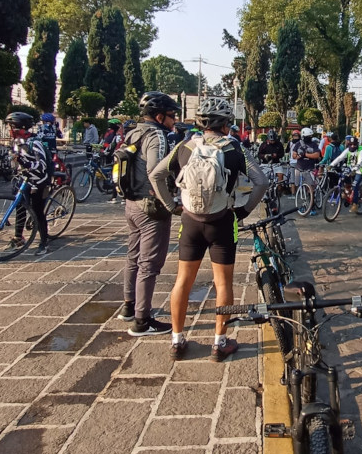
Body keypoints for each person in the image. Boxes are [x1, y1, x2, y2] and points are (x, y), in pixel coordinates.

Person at [150, 96, 267, 362]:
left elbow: (156, 174)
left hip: (190, 221)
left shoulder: (184, 145)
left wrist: (171, 206)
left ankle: (178, 341)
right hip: (222, 221)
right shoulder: (234, 148)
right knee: (223, 282)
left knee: (183, 282)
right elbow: (261, 181)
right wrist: (244, 210)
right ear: (225, 124)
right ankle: (219, 343)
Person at [118, 92, 180, 336]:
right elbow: (156, 172)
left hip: (131, 204)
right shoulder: (156, 135)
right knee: (149, 265)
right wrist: (170, 204)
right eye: (172, 116)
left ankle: (129, 307)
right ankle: (142, 321)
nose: (174, 121)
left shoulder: (134, 132)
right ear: (159, 116)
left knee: (133, 257)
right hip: (151, 207)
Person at [6, 112, 52, 256]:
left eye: (12, 126)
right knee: (20, 207)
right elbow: (16, 161)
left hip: (38, 181)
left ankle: (44, 243)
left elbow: (41, 165)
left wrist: (22, 161)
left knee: (37, 212)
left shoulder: (34, 142)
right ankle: (18, 237)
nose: (10, 129)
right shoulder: (17, 142)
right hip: (24, 179)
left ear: (20, 127)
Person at [330, 134, 362, 212]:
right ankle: (347, 193)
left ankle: (355, 204)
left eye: (354, 145)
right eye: (350, 145)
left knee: (355, 185)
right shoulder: (348, 150)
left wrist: (355, 169)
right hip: (352, 167)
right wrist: (331, 165)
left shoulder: (361, 150)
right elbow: (340, 157)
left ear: (357, 145)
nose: (352, 146)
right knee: (344, 178)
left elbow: (361, 162)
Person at [293, 127, 322, 213]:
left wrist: (305, 155)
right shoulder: (298, 144)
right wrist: (298, 156)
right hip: (299, 168)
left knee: (310, 188)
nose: (309, 137)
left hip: (310, 169)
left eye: (310, 136)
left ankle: (312, 206)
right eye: (307, 136)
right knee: (300, 187)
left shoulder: (314, 144)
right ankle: (303, 205)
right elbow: (294, 155)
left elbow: (317, 155)